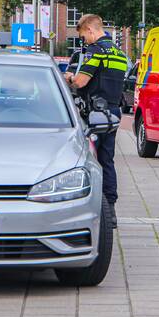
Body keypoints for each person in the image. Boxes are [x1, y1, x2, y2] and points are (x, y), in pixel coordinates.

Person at [64, 14, 127, 220]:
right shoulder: (119, 53)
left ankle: (89, 208)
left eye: (83, 36)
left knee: (89, 159)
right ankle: (111, 209)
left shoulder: (95, 51)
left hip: (94, 113)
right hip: (113, 112)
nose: (84, 41)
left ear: (90, 30)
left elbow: (81, 82)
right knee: (107, 159)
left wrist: (69, 78)